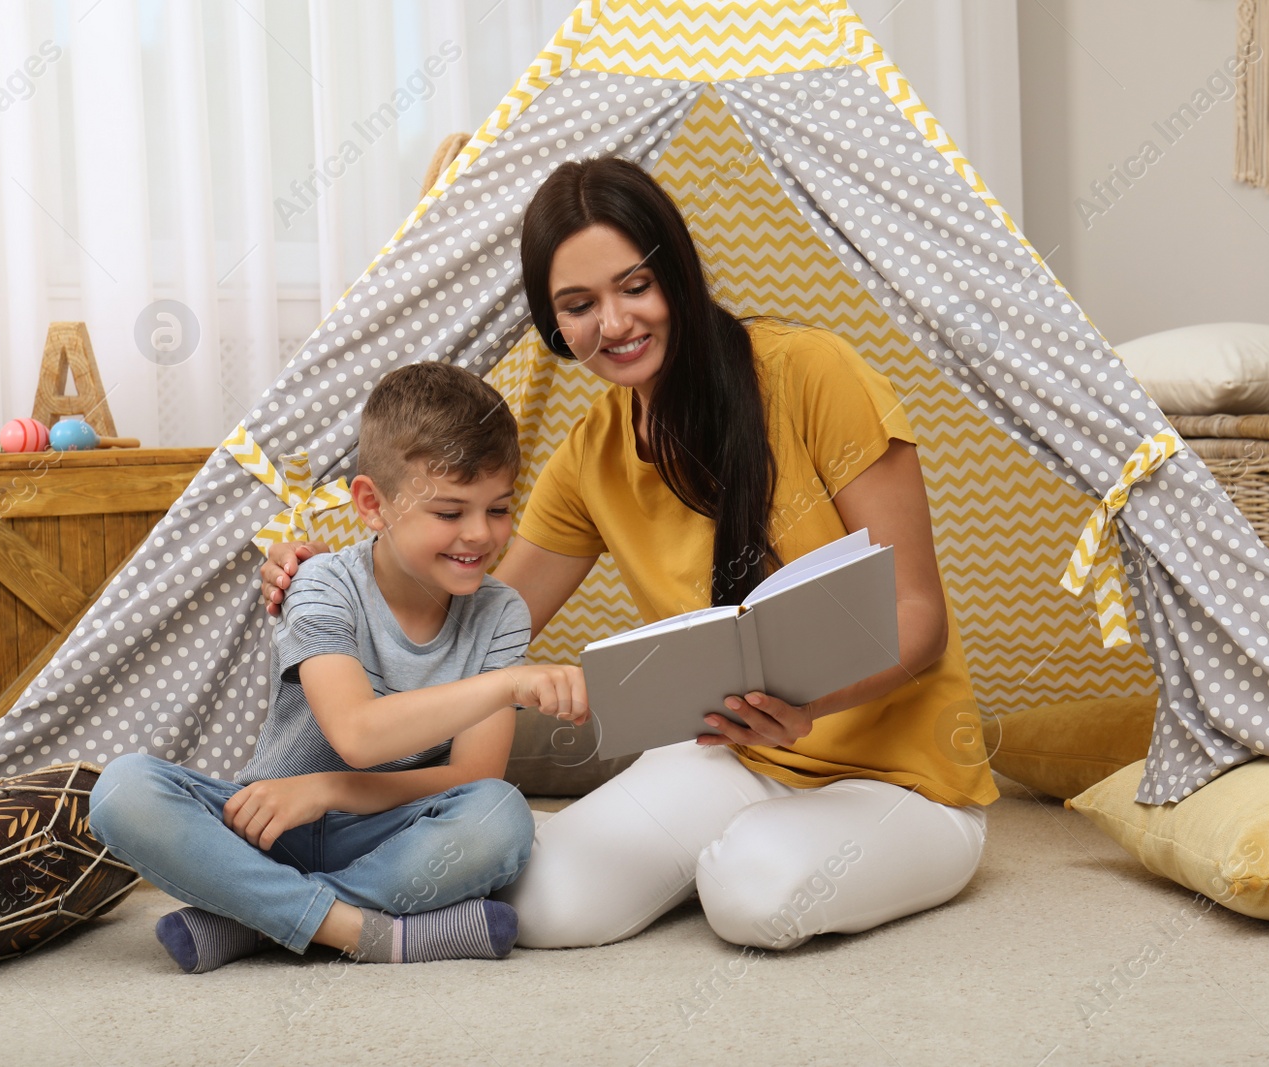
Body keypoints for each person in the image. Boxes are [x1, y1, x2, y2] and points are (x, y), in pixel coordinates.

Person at [261, 155, 997, 951]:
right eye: (578, 306)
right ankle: (275, 905)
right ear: (555, 324)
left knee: (750, 893)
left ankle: (751, 849)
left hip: (902, 781)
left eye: (634, 286)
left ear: (676, 273)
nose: (612, 325)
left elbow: (917, 618)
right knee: (534, 900)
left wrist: (810, 710)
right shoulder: (593, 453)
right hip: (729, 760)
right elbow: (465, 623)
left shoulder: (813, 373)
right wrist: (339, 581)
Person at [91, 362, 587, 973]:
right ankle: (365, 929)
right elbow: (357, 734)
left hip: (389, 835)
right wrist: (507, 685)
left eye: (499, 509)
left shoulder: (500, 611)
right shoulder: (322, 581)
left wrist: (326, 791)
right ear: (373, 505)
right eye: (450, 512)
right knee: (122, 789)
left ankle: (255, 923)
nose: (480, 535)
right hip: (272, 824)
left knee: (499, 814)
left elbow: (474, 777)